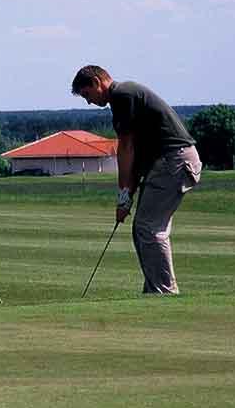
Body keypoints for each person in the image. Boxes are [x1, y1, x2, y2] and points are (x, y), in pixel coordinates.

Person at [71, 65, 202, 295]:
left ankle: (163, 293)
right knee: (141, 228)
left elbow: (126, 149)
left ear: (95, 82)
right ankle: (155, 289)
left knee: (149, 228)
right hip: (168, 161)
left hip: (174, 159)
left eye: (87, 95)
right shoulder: (123, 96)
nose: (89, 102)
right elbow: (137, 159)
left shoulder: (122, 95)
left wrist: (123, 197)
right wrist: (127, 196)